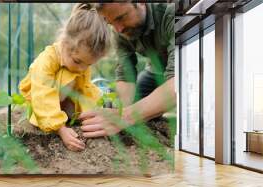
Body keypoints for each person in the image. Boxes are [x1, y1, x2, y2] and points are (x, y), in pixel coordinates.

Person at [19, 4, 111, 151]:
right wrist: (61, 129)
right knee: (65, 75)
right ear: (64, 42)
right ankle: (54, 121)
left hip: (65, 101)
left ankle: (68, 116)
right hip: (41, 104)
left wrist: (89, 115)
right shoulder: (47, 60)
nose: (82, 68)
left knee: (85, 86)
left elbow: (84, 90)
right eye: (77, 61)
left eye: (88, 65)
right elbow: (43, 95)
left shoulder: (81, 64)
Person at [80, 3, 176, 138]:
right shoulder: (119, 31)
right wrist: (118, 111)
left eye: (121, 18)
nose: (118, 29)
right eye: (110, 23)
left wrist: (125, 116)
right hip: (155, 70)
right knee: (135, 106)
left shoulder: (172, 13)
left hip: (190, 69)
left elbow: (180, 83)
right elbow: (126, 75)